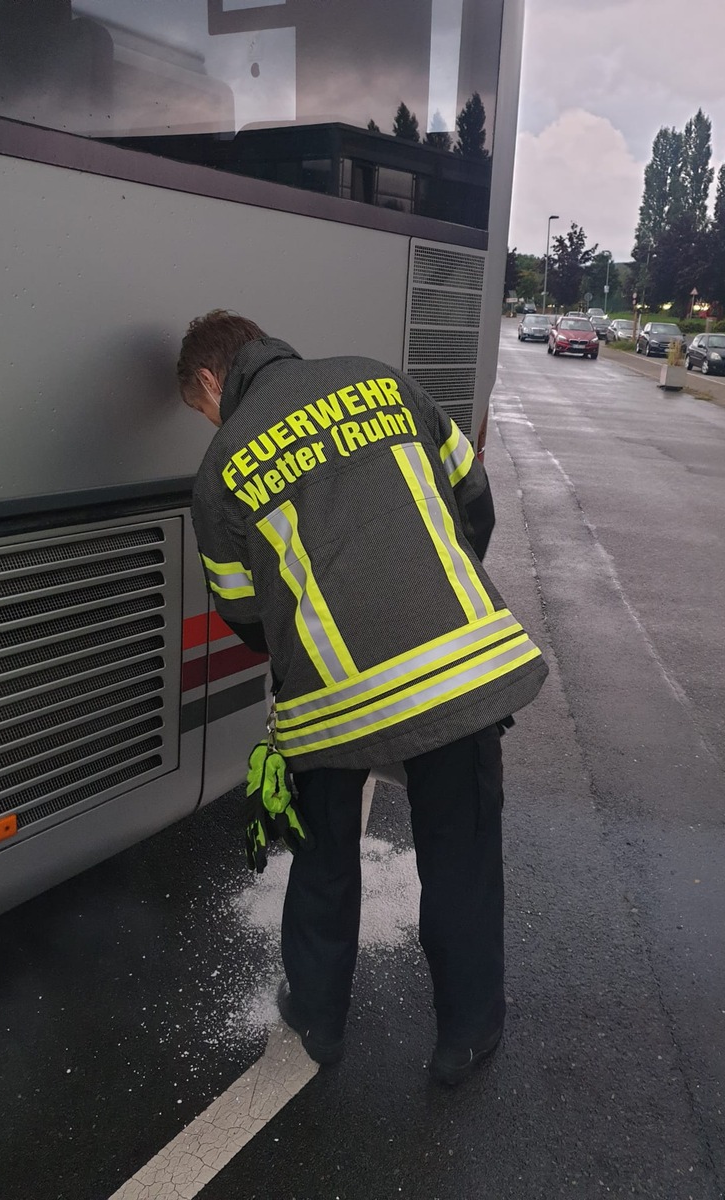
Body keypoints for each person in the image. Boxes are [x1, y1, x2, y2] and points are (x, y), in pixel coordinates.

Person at [177, 309, 547, 1085]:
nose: (209, 420)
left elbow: (244, 614)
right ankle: (466, 1038)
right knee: (461, 855)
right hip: (455, 670)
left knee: (322, 859)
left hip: (330, 703)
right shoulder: (384, 381)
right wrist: (431, 601)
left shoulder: (220, 469)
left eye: (200, 408)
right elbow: (473, 497)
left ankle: (317, 1018)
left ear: (213, 380)